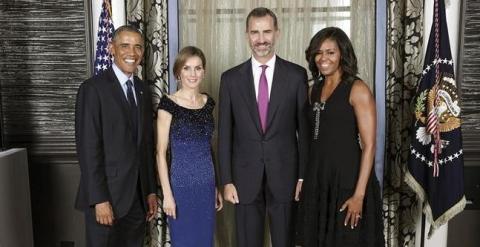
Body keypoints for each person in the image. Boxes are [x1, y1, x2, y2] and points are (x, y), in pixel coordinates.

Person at [218, 7, 309, 247]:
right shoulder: (230, 79)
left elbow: (305, 133)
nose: (261, 39)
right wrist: (226, 180)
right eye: (255, 32)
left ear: (277, 33)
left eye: (267, 32)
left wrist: (302, 177)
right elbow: (225, 134)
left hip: (286, 178)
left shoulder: (297, 75)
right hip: (243, 179)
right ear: (247, 34)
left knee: (284, 242)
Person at [297, 27, 384, 247]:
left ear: (342, 54)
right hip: (318, 180)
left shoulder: (357, 89)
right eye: (318, 52)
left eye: (330, 52)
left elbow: (370, 145)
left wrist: (359, 195)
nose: (323, 58)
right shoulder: (312, 90)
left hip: (348, 180)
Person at [74, 25, 158, 247]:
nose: (132, 53)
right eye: (125, 46)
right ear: (111, 48)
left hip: (137, 200)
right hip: (106, 198)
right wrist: (99, 199)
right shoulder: (93, 89)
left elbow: (146, 145)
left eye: (138, 47)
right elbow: (88, 149)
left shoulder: (142, 89)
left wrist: (149, 191)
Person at [156, 46, 223, 246]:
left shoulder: (208, 103)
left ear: (204, 72)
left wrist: (216, 186)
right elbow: (160, 153)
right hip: (181, 187)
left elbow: (208, 147)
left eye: (198, 68)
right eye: (187, 68)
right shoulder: (168, 104)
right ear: (178, 72)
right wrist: (167, 195)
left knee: (205, 241)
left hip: (206, 185)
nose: (193, 74)